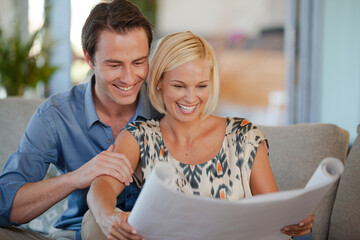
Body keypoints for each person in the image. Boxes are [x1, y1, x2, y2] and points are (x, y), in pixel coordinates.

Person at [83, 31, 314, 240]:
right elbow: (102, 185)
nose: (191, 98)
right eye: (179, 86)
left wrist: (295, 222)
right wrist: (106, 216)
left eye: (201, 86)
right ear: (159, 81)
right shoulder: (138, 136)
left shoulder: (244, 135)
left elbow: (274, 210)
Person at [0, 0, 160, 239]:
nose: (129, 78)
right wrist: (77, 177)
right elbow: (5, 204)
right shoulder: (56, 115)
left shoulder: (165, 107)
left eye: (138, 62)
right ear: (89, 58)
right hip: (79, 233)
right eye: (114, 65)